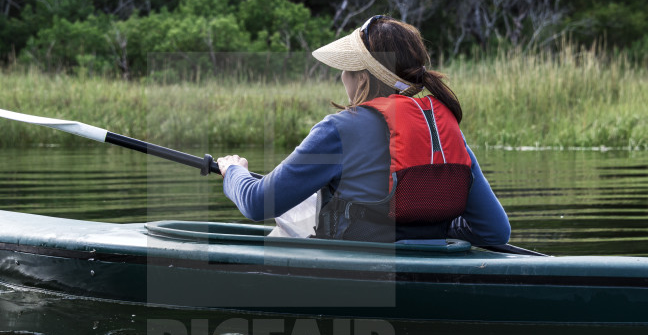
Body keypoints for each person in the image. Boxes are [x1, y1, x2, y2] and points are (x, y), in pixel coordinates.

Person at [216, 15, 510, 244]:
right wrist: (434, 233)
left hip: (357, 278)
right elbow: (495, 231)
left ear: (362, 77)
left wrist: (233, 172)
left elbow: (256, 203)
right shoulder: (443, 133)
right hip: (427, 275)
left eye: (346, 67)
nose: (342, 76)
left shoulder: (338, 130)